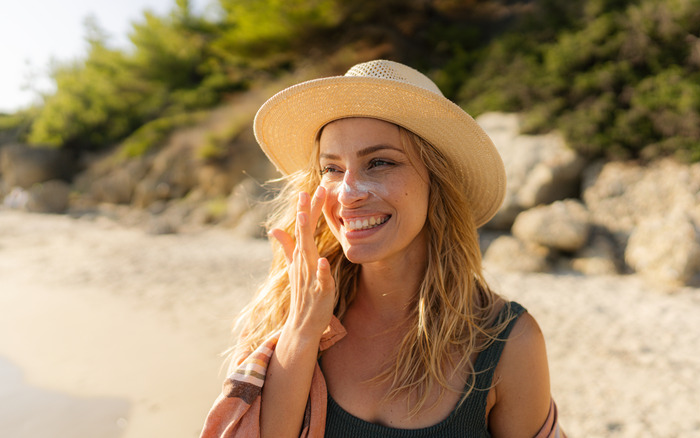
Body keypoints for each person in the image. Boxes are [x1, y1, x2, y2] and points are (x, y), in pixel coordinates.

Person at [201, 60, 564, 438]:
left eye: (380, 162)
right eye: (332, 169)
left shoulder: (506, 340)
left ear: (437, 181)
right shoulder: (283, 314)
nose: (349, 193)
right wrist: (302, 331)